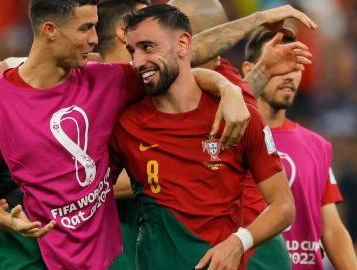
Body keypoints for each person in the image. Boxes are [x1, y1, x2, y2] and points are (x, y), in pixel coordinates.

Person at [0, 0, 254, 269]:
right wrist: (7, 221)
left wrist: (227, 88)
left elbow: (175, 59)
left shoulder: (107, 81)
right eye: (85, 28)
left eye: (95, 27)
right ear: (50, 30)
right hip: (25, 259)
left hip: (96, 259)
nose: (95, 39)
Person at [110, 5, 296, 270]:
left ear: (184, 44)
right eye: (132, 51)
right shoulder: (126, 123)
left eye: (148, 47)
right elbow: (89, 190)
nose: (137, 62)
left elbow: (284, 206)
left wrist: (238, 242)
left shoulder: (240, 114)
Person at [241, 28, 357, 270]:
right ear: (251, 71)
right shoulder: (230, 139)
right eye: (280, 64)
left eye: (296, 67)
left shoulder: (317, 145)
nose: (290, 75)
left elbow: (333, 229)